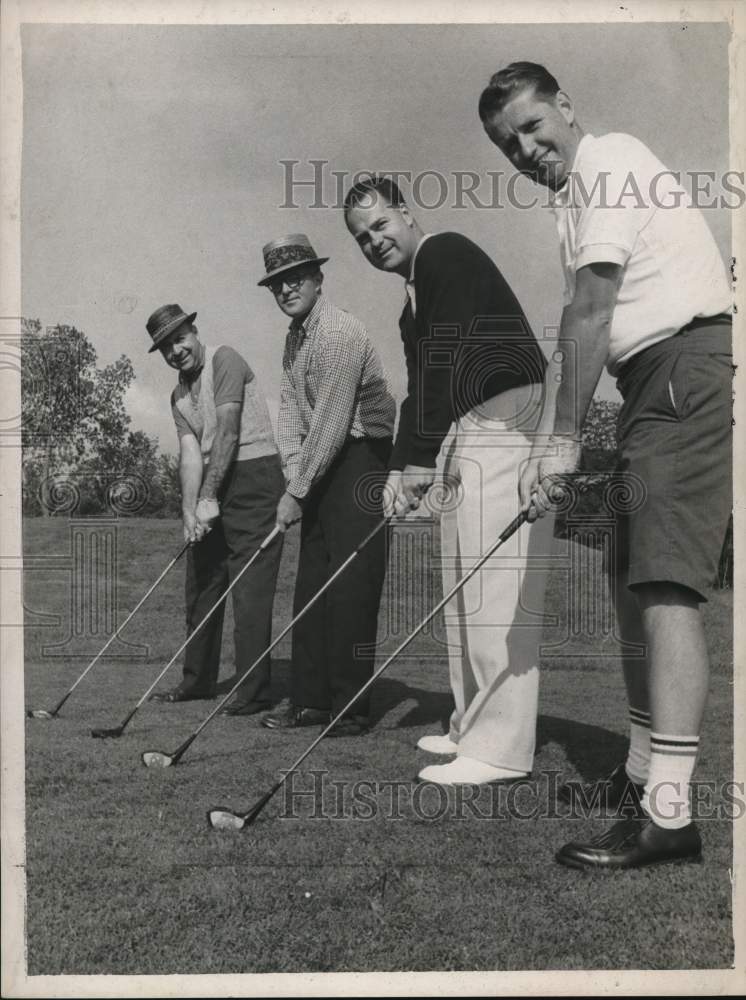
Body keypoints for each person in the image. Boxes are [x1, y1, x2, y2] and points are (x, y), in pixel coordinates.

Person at [479, 62, 733, 868]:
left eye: (531, 125)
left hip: (684, 371)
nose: (524, 147)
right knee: (627, 582)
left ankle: (671, 816)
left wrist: (558, 442)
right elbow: (582, 322)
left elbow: (591, 310)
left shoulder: (611, 160)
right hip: (644, 385)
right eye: (506, 142)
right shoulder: (573, 196)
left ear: (566, 107)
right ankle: (635, 778)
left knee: (663, 586)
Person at [344, 177, 557, 786]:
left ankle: (500, 750)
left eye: (380, 225)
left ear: (406, 214)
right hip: (468, 427)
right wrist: (399, 467)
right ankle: (470, 724)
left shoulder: (444, 252)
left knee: (494, 587)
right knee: (463, 587)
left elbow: (446, 357)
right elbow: (420, 391)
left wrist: (419, 463)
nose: (374, 241)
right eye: (362, 238)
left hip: (505, 415)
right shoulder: (410, 302)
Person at [257, 235, 396, 737]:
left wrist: (297, 490)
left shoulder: (339, 332)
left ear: (319, 279)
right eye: (277, 283)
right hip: (321, 463)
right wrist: (297, 480)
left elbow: (334, 422)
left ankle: (350, 708)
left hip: (362, 459)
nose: (287, 288)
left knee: (352, 587)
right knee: (312, 584)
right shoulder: (294, 338)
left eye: (296, 277)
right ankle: (311, 701)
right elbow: (292, 415)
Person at [146, 303, 285, 714]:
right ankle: (197, 682)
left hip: (254, 476)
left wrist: (208, 497)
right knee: (202, 585)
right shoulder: (178, 395)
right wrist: (189, 512)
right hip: (214, 478)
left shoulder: (225, 358)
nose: (176, 351)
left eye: (180, 338)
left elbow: (227, 432)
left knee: (249, 589)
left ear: (194, 330)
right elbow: (191, 456)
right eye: (166, 347)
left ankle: (253, 692)